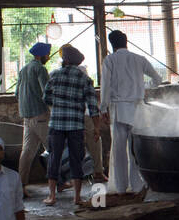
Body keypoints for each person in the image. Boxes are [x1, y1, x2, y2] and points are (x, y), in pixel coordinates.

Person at [100, 29, 163, 194]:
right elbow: (158, 79)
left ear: (112, 44)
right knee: (136, 149)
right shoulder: (139, 59)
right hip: (138, 109)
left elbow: (105, 86)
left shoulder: (110, 60)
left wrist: (103, 108)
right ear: (126, 41)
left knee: (119, 150)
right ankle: (137, 186)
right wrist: (143, 87)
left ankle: (121, 188)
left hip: (119, 109)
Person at [43, 44, 101, 206]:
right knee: (77, 159)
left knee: (54, 158)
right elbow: (92, 106)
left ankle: (52, 196)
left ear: (64, 60)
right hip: (76, 125)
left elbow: (46, 98)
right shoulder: (85, 79)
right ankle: (77, 197)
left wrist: (57, 106)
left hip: (57, 124)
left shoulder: (54, 75)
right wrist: (96, 128)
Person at [16, 42, 54, 193]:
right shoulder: (40, 69)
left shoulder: (23, 69)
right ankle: (60, 181)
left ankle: (20, 185)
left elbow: (16, 94)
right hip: (40, 116)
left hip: (26, 116)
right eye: (47, 54)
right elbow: (47, 92)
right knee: (53, 149)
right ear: (41, 55)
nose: (48, 57)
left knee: (27, 152)